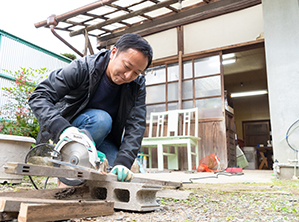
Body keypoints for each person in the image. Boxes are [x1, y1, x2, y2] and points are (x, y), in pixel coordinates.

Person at [28, 33, 153, 182]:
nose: (128, 76)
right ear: (113, 53)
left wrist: (124, 163)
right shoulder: (83, 67)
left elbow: (136, 125)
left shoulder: (137, 85)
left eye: (136, 73)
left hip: (103, 140)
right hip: (68, 133)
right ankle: (67, 174)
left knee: (114, 173)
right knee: (101, 120)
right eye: (127, 66)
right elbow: (39, 96)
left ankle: (83, 170)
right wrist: (62, 129)